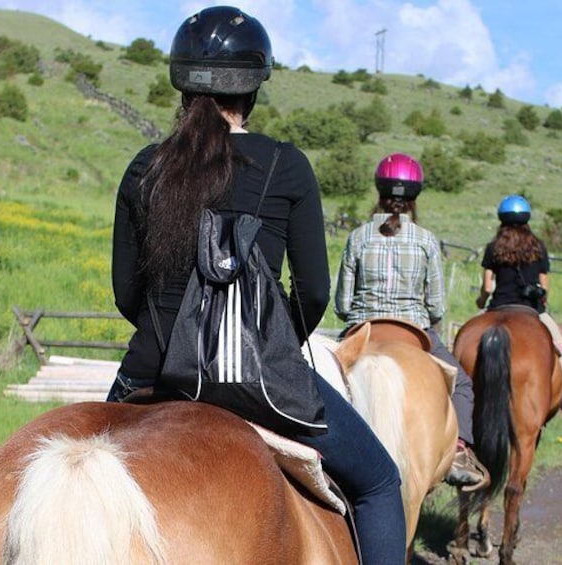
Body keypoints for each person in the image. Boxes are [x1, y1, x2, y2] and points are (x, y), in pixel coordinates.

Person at [105, 6, 406, 563]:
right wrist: (271, 340)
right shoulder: (286, 166)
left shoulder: (143, 168)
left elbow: (127, 292)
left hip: (151, 373)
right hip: (258, 379)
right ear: (252, 89)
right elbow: (314, 290)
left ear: (181, 85)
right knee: (381, 484)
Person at [334, 152, 490, 490]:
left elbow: (343, 304)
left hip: (362, 330)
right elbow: (436, 307)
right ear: (415, 197)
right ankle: (460, 451)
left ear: (379, 191)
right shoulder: (426, 240)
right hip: (414, 331)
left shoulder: (358, 237)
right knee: (462, 384)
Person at [475, 194, 562, 412]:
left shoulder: (493, 248)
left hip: (498, 306)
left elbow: (487, 287)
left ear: (501, 220)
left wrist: (481, 301)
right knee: (561, 348)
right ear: (527, 220)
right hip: (531, 309)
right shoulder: (538, 248)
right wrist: (542, 302)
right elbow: (545, 285)